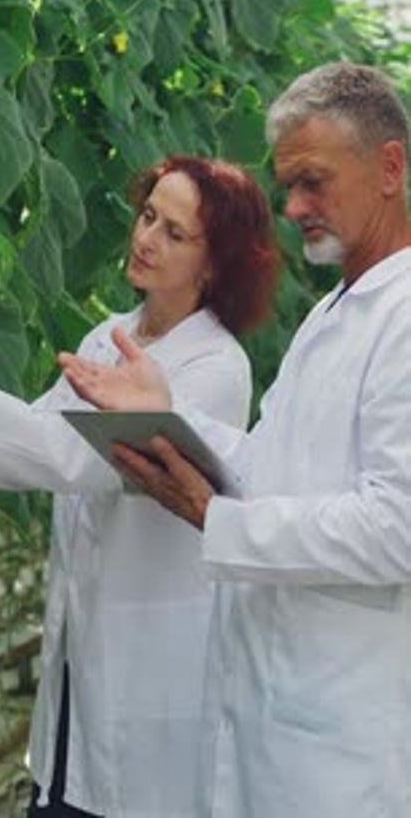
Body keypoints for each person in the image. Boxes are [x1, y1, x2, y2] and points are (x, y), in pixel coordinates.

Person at [58, 63, 411, 818]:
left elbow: (397, 528)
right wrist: (167, 410)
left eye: (313, 181)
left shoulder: (404, 319)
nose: (294, 207)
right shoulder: (334, 316)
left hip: (339, 751)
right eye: (288, 186)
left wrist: (214, 517)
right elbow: (270, 461)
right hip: (277, 723)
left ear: (390, 167)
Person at [0, 155, 279, 818]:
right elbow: (29, 448)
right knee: (64, 793)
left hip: (152, 671)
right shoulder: (107, 337)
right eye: (147, 217)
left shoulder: (216, 366)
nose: (146, 238)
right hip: (83, 660)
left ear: (215, 263)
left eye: (175, 233)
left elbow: (81, 461)